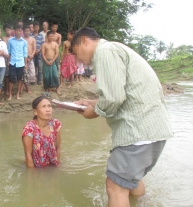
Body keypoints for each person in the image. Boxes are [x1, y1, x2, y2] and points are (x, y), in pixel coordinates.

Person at [71, 27, 173, 207]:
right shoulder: (116, 49)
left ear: (85, 41)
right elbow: (123, 94)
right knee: (131, 182)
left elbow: (113, 98)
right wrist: (91, 102)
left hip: (136, 132)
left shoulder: (104, 51)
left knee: (115, 186)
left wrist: (92, 112)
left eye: (76, 53)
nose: (79, 60)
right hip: (154, 131)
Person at [22, 96, 62, 167]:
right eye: (43, 107)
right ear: (35, 112)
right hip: (36, 167)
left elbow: (58, 149)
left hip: (51, 165)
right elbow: (28, 155)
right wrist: (33, 175)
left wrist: (57, 168)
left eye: (49, 106)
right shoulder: (29, 128)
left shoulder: (55, 124)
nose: (48, 110)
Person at [7, 24, 27, 100]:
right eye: (16, 30)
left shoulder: (24, 42)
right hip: (12, 62)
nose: (18, 32)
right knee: (11, 79)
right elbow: (9, 52)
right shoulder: (10, 41)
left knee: (19, 79)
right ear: (14, 31)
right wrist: (8, 61)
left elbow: (25, 53)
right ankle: (10, 95)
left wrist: (25, 64)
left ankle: (18, 94)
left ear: (21, 32)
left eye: (19, 31)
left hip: (21, 63)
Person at [2, 23, 13, 96]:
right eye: (6, 30)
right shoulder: (3, 38)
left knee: (11, 75)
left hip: (13, 58)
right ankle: (6, 90)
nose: (7, 31)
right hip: (5, 57)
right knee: (6, 75)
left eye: (8, 30)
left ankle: (10, 90)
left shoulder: (13, 38)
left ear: (11, 30)